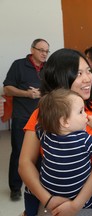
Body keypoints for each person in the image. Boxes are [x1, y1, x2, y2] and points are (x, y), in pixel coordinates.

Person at [18, 48, 92, 216]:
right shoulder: (42, 114)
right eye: (78, 74)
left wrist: (75, 205)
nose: (87, 78)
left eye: (88, 71)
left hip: (90, 198)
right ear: (60, 79)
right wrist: (48, 200)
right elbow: (25, 163)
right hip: (50, 198)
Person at [3, 38, 50, 201]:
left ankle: (38, 185)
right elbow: (7, 88)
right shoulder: (18, 65)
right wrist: (27, 94)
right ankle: (15, 188)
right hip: (22, 117)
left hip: (44, 118)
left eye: (46, 51)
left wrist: (44, 93)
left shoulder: (48, 68)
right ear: (32, 50)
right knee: (19, 153)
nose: (44, 53)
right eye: (41, 50)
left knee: (42, 153)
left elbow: (54, 90)